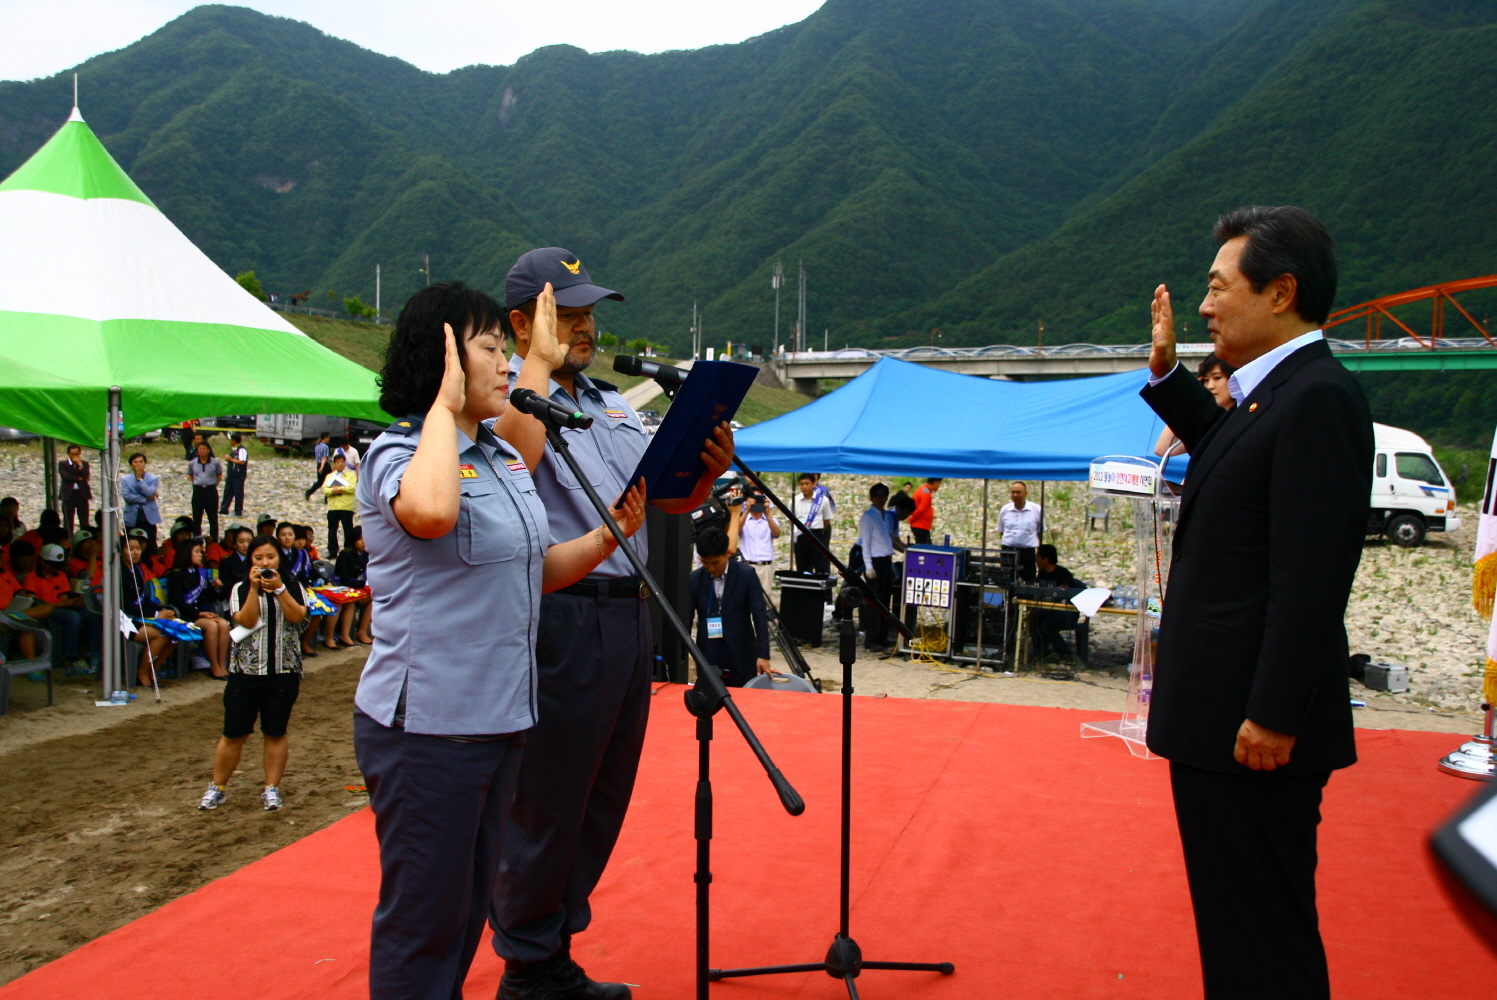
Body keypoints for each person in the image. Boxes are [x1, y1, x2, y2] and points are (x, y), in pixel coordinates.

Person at [353, 280, 646, 1000]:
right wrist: (442, 408)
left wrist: (609, 535)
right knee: (425, 920)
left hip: (502, 719)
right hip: (429, 725)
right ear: (445, 359)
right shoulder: (397, 452)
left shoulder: (500, 457)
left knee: (464, 910)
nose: (507, 364)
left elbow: (534, 566)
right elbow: (428, 513)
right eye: (489, 349)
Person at [1142, 205, 1372, 999]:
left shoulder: (1318, 398)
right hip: (1220, 725)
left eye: (1218, 287)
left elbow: (1312, 575)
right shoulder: (1268, 398)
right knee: (1234, 929)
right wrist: (1168, 376)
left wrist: (1273, 712)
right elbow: (1225, 456)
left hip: (1254, 736)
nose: (1204, 306)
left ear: (1280, 292)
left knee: (1262, 938)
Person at [493, 248, 730, 1000]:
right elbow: (511, 464)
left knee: (600, 798)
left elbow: (664, 500)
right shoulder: (505, 395)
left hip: (630, 612)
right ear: (522, 324)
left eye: (588, 313)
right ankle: (525, 964)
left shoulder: (611, 403)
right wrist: (536, 363)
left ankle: (553, 951)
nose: (585, 328)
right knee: (550, 797)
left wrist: (706, 471)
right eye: (566, 315)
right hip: (562, 616)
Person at [198, 533, 310, 812]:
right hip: (245, 672)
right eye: (258, 558)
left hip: (283, 670)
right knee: (233, 733)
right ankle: (217, 787)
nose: (265, 563)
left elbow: (298, 617)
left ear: (279, 558)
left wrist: (280, 589)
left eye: (270, 557)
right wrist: (254, 589)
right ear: (250, 561)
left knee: (275, 732)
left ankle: (272, 788)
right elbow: (245, 621)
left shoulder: (293, 585)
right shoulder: (239, 588)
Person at [688, 526, 771, 687]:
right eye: (705, 563)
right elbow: (687, 619)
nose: (711, 568)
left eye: (715, 563)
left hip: (741, 651)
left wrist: (763, 655)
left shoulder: (746, 574)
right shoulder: (695, 579)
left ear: (727, 553)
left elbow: (759, 615)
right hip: (709, 652)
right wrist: (692, 656)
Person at [22, 542, 94, 673]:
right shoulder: (31, 577)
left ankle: (93, 653)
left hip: (61, 608)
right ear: (43, 561)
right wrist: (63, 604)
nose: (56, 569)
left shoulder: (60, 575)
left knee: (89, 613)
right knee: (73, 617)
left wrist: (75, 603)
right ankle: (69, 657)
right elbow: (33, 604)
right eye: (53, 565)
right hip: (45, 610)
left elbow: (64, 598)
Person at [167, 538, 231, 677]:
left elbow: (206, 596)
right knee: (212, 626)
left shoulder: (200, 572)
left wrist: (216, 589)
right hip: (186, 614)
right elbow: (177, 602)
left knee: (223, 624)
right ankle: (214, 666)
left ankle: (222, 665)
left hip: (201, 612)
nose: (201, 554)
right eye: (197, 551)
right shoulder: (175, 574)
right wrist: (200, 614)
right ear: (186, 553)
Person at [119, 534, 177, 688]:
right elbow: (125, 605)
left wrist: (162, 609)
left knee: (175, 633)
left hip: (139, 616)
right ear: (120, 551)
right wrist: (156, 614)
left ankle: (153, 670)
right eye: (130, 549)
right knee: (162, 634)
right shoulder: (117, 572)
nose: (135, 552)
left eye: (138, 548)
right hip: (124, 621)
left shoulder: (137, 569)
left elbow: (144, 599)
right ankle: (142, 672)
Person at [1156, 353, 1238, 457]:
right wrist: (1191, 400)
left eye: (1217, 378)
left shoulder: (1246, 417)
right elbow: (1163, 449)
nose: (1210, 386)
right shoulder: (1208, 423)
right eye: (1206, 380)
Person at [856, 483, 897, 652]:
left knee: (885, 601)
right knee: (874, 603)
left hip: (886, 559)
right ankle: (871, 639)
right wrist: (868, 566)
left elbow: (889, 539)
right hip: (875, 561)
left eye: (883, 496)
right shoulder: (868, 517)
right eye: (877, 496)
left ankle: (882, 636)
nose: (880, 499)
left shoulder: (888, 516)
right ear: (872, 498)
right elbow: (865, 542)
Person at [1030, 544, 1086, 662]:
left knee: (1048, 625)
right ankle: (1040, 651)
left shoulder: (1063, 574)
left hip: (1067, 612)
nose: (1036, 560)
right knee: (1035, 617)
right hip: (1048, 609)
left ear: (1045, 560)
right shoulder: (1042, 574)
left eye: (1037, 557)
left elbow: (1067, 594)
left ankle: (1066, 653)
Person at [326, 525, 372, 647]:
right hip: (343, 589)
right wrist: (364, 583)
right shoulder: (345, 555)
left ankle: (362, 632)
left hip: (359, 590)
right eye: (360, 539)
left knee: (374, 598)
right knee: (349, 601)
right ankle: (340, 636)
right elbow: (344, 579)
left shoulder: (367, 555)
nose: (363, 542)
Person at [731, 491, 780, 596]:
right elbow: (736, 530)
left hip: (765, 565)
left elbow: (776, 533)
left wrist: (768, 514)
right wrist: (747, 510)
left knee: (765, 598)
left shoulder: (771, 520)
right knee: (745, 597)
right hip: (747, 565)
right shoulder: (744, 520)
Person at [998, 480, 1042, 583]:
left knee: (1029, 580)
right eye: (1013, 492)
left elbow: (1040, 531)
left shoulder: (1036, 510)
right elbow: (1001, 530)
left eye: (1018, 492)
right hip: (1008, 551)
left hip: (1027, 552)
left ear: (1025, 493)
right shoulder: (1005, 510)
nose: (1015, 495)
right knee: (1007, 580)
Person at [790, 473, 835, 574]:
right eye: (802, 484)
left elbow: (826, 519)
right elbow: (791, 519)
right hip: (800, 535)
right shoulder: (795, 500)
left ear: (814, 484)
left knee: (820, 566)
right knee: (802, 567)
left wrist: (819, 531)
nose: (804, 487)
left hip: (816, 534)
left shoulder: (823, 500)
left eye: (807, 484)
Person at [121, 453, 162, 547]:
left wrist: (139, 480)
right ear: (131, 465)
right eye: (135, 462)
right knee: (130, 542)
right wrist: (145, 499)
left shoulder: (152, 478)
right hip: (132, 516)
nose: (138, 464)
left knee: (151, 542)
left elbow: (150, 493)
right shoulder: (126, 479)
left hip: (148, 516)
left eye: (141, 462)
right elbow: (127, 497)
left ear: (145, 464)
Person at [322, 452, 358, 556]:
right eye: (338, 462)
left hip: (346, 507)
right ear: (334, 464)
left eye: (342, 462)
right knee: (332, 530)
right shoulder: (330, 476)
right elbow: (325, 489)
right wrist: (332, 491)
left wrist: (339, 489)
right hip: (333, 507)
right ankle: (332, 550)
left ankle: (348, 550)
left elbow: (352, 488)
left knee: (348, 530)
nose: (341, 464)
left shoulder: (351, 475)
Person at [187, 440, 223, 541]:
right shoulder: (193, 463)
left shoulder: (215, 463)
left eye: (204, 449)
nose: (202, 451)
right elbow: (190, 475)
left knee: (213, 517)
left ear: (208, 450)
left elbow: (219, 476)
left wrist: (211, 484)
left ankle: (214, 541)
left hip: (210, 491)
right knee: (196, 517)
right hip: (198, 491)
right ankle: (197, 540)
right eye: (200, 449)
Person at [59, 444, 92, 535]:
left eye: (77, 454)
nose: (75, 456)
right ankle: (68, 538)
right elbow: (65, 476)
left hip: (81, 494)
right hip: (68, 495)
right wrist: (79, 478)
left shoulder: (84, 464)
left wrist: (80, 464)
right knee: (68, 520)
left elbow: (86, 475)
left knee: (84, 519)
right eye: (72, 454)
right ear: (68, 454)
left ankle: (85, 537)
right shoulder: (63, 464)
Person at [220, 433, 249, 516]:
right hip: (231, 474)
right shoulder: (233, 450)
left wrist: (231, 459)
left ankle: (238, 510)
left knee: (238, 493)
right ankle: (224, 509)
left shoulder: (242, 450)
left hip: (238, 475)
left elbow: (242, 461)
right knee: (227, 492)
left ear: (233, 440)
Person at [218, 526, 253, 592]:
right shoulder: (227, 562)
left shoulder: (257, 561)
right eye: (241, 542)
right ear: (234, 544)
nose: (246, 545)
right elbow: (227, 589)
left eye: (249, 541)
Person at [909, 478, 940, 545]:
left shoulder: (921, 489)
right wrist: (911, 519)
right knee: (925, 547)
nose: (939, 486)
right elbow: (921, 509)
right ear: (935, 482)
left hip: (921, 525)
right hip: (921, 525)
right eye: (939, 484)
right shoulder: (926, 493)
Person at [304, 431, 332, 500]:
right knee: (330, 481)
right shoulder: (325, 447)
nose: (329, 439)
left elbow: (321, 457)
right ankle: (327, 497)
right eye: (328, 438)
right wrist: (322, 467)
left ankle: (309, 492)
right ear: (325, 438)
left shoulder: (317, 446)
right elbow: (324, 458)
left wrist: (329, 460)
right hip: (325, 466)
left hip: (318, 465)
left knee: (320, 482)